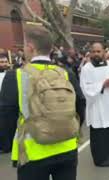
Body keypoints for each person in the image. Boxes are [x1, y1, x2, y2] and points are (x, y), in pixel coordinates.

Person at [0, 30, 85, 180]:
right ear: (51, 48)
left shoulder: (16, 76)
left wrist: (6, 145)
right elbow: (80, 104)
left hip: (33, 153)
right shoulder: (66, 73)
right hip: (67, 147)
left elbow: (5, 115)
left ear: (30, 47)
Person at [80, 42, 109, 167]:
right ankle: (101, 159)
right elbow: (85, 88)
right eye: (94, 51)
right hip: (97, 107)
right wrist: (102, 85)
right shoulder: (86, 69)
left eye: (98, 51)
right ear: (90, 53)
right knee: (100, 136)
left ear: (104, 52)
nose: (96, 54)